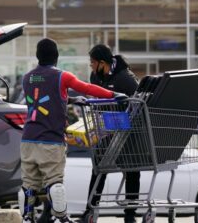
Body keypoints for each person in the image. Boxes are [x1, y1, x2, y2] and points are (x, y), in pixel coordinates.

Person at [19, 39, 125, 223]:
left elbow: (42, 98)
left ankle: (27, 218)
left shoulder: (27, 77)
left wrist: (70, 100)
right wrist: (114, 95)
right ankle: (62, 218)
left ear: (37, 56)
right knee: (55, 182)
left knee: (29, 184)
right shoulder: (62, 76)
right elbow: (86, 87)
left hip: (28, 139)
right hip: (51, 140)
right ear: (57, 57)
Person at [79, 44, 140, 223]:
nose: (91, 66)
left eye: (92, 62)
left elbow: (138, 104)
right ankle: (90, 211)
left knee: (132, 170)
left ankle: (130, 215)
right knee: (98, 167)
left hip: (128, 131)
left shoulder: (126, 79)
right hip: (107, 129)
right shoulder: (95, 77)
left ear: (103, 63)